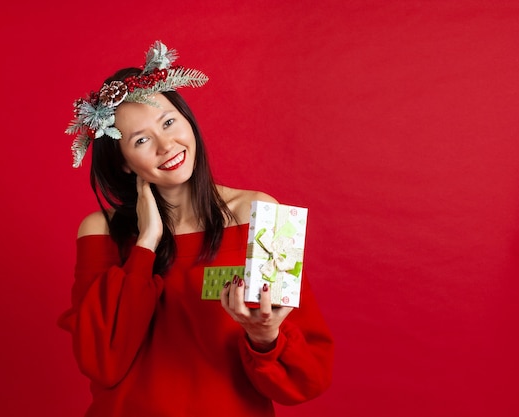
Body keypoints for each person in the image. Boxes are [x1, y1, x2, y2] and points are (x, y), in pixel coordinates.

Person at [58, 41, 334, 417]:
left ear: (187, 120)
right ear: (123, 162)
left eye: (169, 122)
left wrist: (265, 337)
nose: (166, 145)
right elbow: (100, 361)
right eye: (141, 140)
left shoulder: (263, 212)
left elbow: (309, 378)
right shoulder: (98, 231)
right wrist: (147, 243)